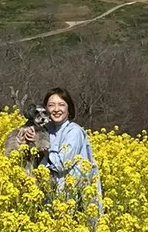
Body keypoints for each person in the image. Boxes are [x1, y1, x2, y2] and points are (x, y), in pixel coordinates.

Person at [22, 88, 102, 220]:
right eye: (51, 105)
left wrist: (41, 146)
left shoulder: (74, 131)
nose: (56, 109)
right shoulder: (44, 129)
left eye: (61, 104)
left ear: (69, 108)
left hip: (74, 198)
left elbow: (61, 164)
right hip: (48, 198)